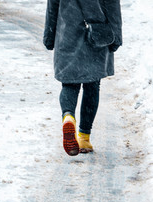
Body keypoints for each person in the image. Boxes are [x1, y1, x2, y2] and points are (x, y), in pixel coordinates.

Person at [43, 0, 122, 156]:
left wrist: (49, 36)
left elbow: (52, 6)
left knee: (69, 84)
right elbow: (112, 6)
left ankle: (68, 116)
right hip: (96, 34)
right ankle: (84, 138)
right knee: (92, 85)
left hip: (67, 34)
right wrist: (116, 37)